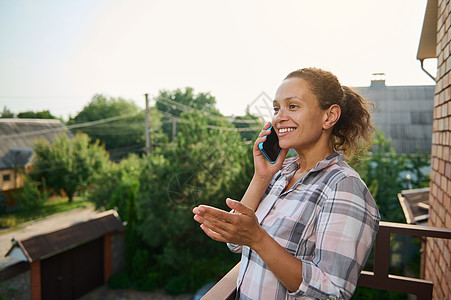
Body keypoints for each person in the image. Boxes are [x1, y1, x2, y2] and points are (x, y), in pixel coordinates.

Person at [193, 67, 380, 299]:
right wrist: (261, 177)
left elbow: (332, 293)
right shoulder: (281, 174)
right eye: (276, 108)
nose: (279, 117)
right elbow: (237, 245)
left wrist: (258, 238)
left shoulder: (345, 187)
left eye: (293, 106)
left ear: (329, 116)